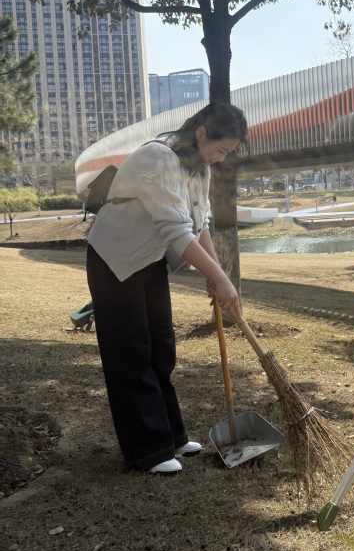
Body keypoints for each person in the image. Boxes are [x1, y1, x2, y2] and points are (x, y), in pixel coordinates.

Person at [86, 103, 247, 475]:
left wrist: (217, 274)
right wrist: (222, 280)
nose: (221, 158)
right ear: (202, 133)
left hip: (150, 259)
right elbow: (176, 231)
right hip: (114, 257)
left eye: (228, 153)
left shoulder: (200, 169)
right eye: (221, 149)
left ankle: (170, 436)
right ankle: (147, 450)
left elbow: (199, 224)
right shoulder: (158, 157)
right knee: (131, 351)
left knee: (161, 347)